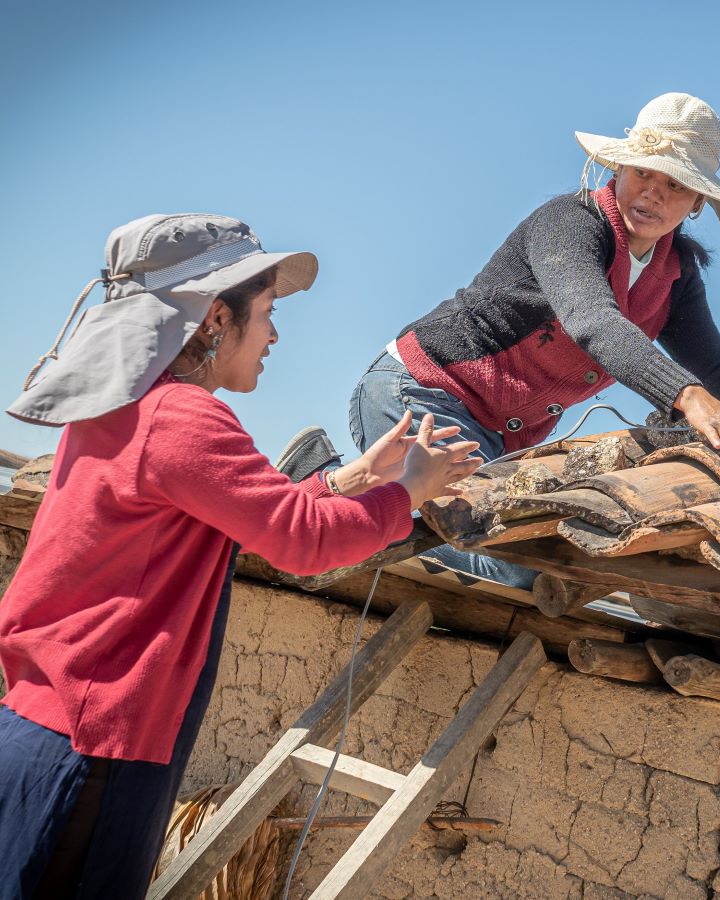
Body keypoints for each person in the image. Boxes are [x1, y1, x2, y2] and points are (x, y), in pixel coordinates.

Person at [0, 214, 481, 898]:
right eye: (269, 312)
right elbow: (303, 542)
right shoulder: (182, 418)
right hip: (93, 748)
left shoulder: (122, 408)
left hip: (47, 729)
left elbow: (241, 517)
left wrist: (357, 479)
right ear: (217, 319)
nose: (276, 334)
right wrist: (408, 492)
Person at [345, 93, 720, 588]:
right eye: (643, 173)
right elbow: (592, 319)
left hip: (501, 436)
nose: (653, 194)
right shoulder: (569, 222)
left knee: (532, 559)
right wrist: (686, 397)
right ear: (618, 169)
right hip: (424, 395)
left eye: (676, 186)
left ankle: (342, 495)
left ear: (697, 205)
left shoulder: (676, 272)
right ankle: (325, 484)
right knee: (499, 564)